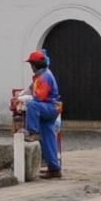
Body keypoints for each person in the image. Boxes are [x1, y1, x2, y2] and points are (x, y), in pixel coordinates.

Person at [21, 48, 64, 178]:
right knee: (48, 139)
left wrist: (25, 99)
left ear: (34, 65)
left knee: (32, 105)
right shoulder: (43, 74)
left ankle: (32, 132)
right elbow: (31, 90)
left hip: (49, 107)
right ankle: (54, 169)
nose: (31, 67)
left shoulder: (44, 77)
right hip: (53, 108)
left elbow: (39, 97)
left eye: (31, 64)